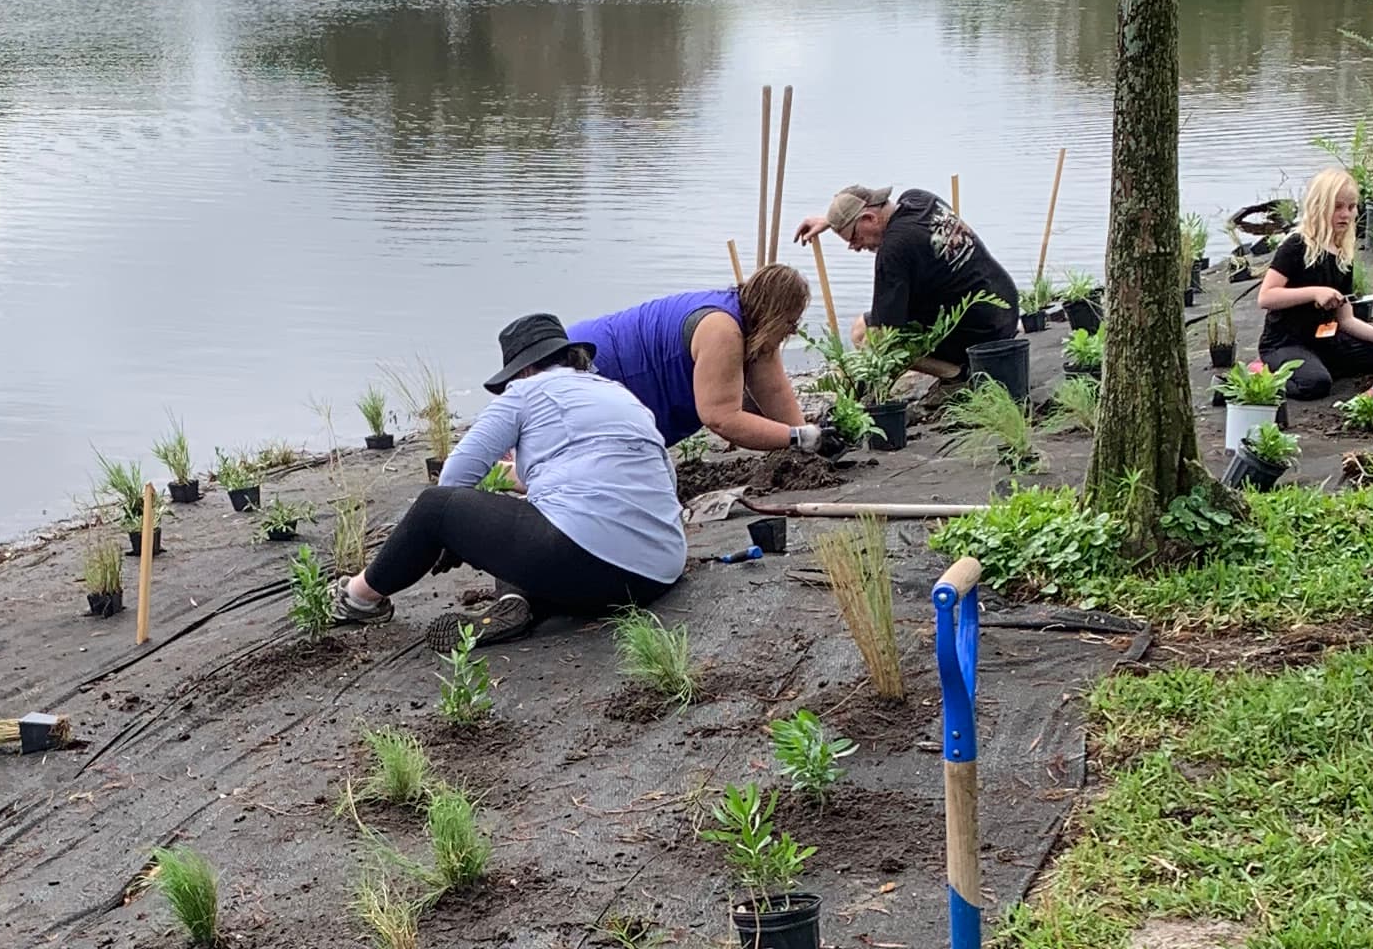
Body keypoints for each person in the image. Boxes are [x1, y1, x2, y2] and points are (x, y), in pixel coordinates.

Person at [337, 314, 688, 635]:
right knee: (528, 510)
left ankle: (358, 598)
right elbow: (662, 478)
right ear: (569, 357)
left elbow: (455, 476)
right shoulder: (617, 394)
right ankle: (514, 604)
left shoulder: (525, 392)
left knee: (435, 507)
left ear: (522, 370)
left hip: (592, 568)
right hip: (659, 572)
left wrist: (450, 536)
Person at [568, 262, 825, 457]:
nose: (793, 331)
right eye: (790, 323)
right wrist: (797, 438)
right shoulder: (722, 331)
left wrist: (808, 439)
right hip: (586, 365)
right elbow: (722, 418)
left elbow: (775, 390)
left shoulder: (752, 327)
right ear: (772, 316)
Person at [791, 184, 1021, 365]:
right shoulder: (920, 199)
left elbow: (886, 330)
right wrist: (833, 222)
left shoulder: (894, 249)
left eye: (854, 238)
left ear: (869, 219)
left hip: (980, 338)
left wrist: (854, 375)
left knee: (863, 333)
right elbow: (864, 212)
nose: (855, 247)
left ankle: (956, 373)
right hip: (1004, 309)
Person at [1257, 170, 1373, 395]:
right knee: (1315, 385)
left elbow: (1346, 318)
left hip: (1325, 340)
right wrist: (1314, 293)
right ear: (1320, 207)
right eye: (1337, 207)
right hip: (1285, 342)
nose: (1345, 215)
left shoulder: (1342, 253)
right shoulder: (1296, 245)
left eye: (1351, 207)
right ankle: (1270, 375)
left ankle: (1315, 366)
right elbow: (1266, 297)